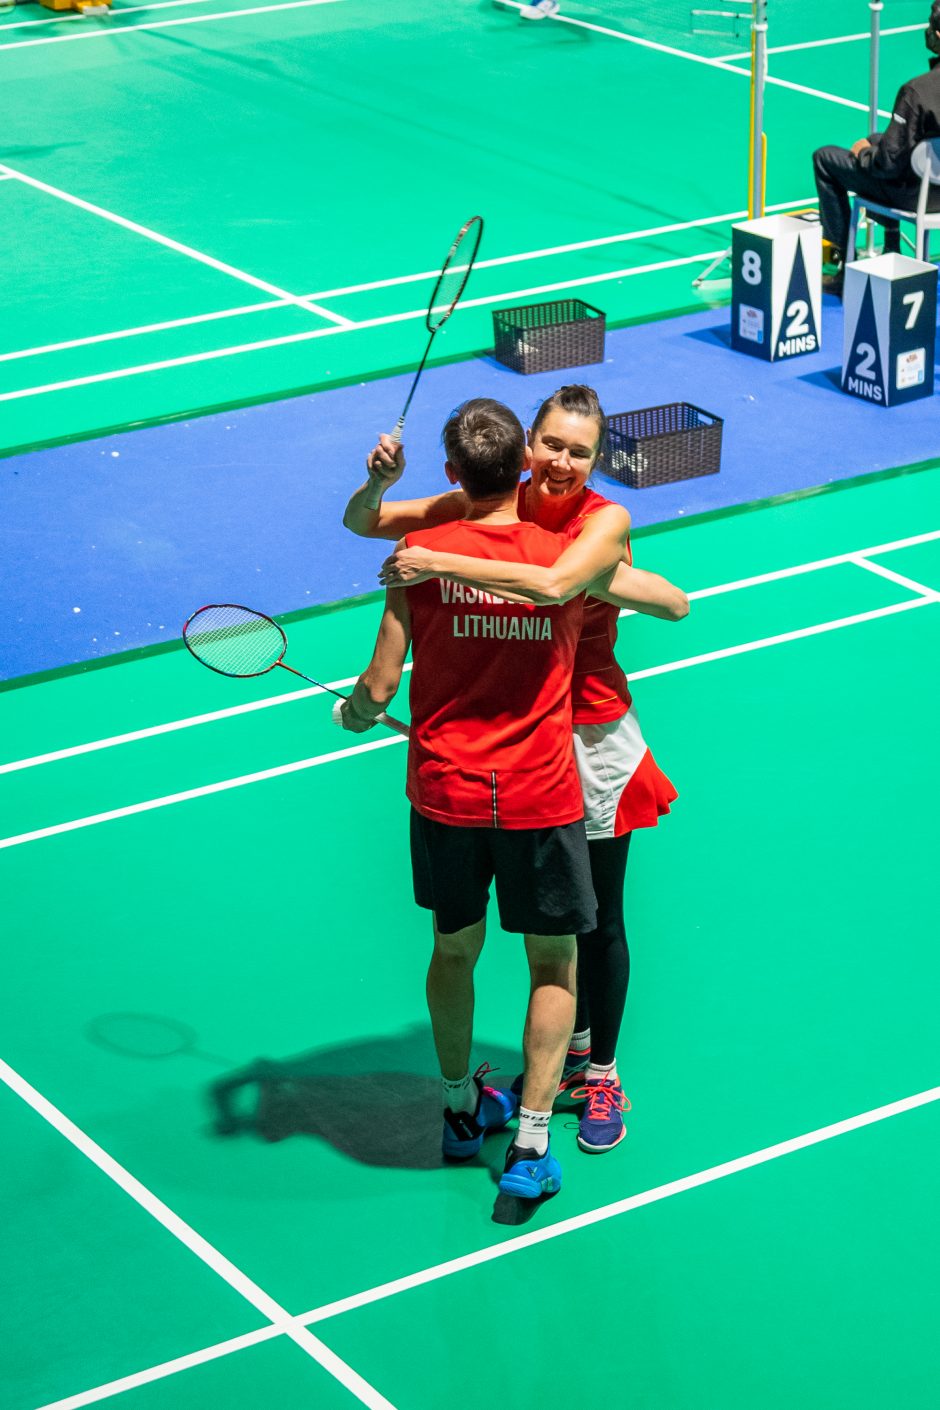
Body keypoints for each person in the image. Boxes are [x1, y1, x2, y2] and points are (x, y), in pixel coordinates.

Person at [345, 384, 688, 1157]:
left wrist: (434, 562)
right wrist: (380, 484)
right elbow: (367, 521)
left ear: (597, 460)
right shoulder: (495, 498)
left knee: (594, 918)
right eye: (553, 445)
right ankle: (536, 1094)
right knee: (541, 941)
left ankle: (597, 1069)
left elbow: (567, 586)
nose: (564, 462)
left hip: (587, 735)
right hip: (513, 738)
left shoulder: (601, 522)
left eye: (581, 451)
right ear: (527, 444)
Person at [339, 397, 600, 1201]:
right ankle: (529, 1137)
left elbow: (380, 690)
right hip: (539, 795)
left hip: (446, 793)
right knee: (553, 959)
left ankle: (458, 1111)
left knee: (455, 949)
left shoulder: (417, 559)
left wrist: (356, 712)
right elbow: (654, 598)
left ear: (450, 472)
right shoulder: (560, 554)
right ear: (524, 461)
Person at [812, 5, 940, 293]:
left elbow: (887, 165)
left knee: (825, 159)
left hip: (914, 197)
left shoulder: (916, 92)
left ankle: (839, 268)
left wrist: (863, 152)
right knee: (879, 137)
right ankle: (891, 247)